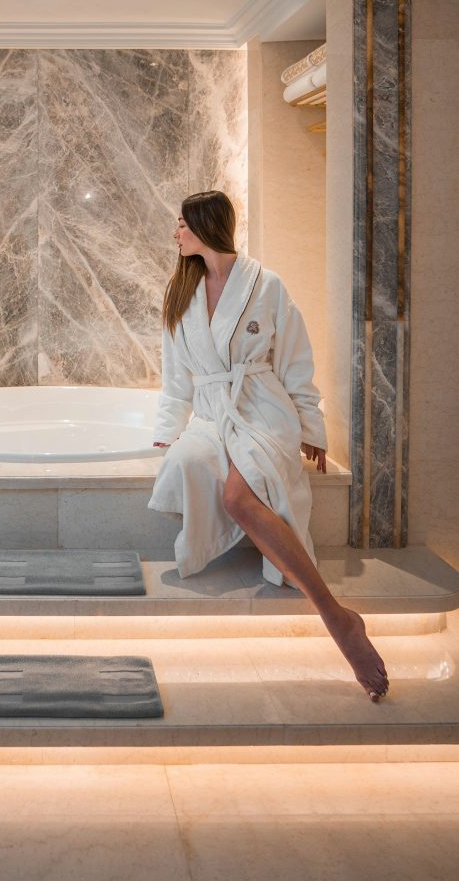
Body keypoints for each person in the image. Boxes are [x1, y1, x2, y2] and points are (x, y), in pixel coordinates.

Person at [148, 190, 389, 702]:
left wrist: (310, 427)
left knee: (238, 497)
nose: (176, 233)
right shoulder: (181, 291)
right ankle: (335, 614)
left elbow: (295, 359)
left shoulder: (266, 285)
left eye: (183, 224)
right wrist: (169, 428)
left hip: (262, 408)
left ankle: (337, 618)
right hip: (212, 413)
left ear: (206, 225)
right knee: (187, 459)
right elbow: (176, 377)